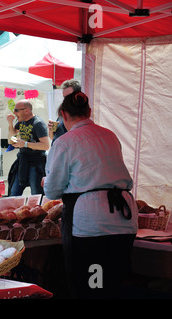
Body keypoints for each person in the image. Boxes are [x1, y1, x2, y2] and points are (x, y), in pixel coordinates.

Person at [43, 90, 138, 299]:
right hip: (124, 219)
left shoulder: (65, 142)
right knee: (113, 282)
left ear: (64, 115)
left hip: (91, 223)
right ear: (89, 112)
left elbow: (52, 190)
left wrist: (45, 181)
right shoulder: (109, 135)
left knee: (92, 285)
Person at [7, 100, 49, 196]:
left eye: (16, 110)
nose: (14, 112)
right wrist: (10, 123)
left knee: (36, 194)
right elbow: (12, 133)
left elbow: (46, 145)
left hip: (36, 162)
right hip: (23, 161)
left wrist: (25, 144)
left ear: (26, 110)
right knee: (14, 193)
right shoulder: (21, 122)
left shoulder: (38, 123)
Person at [48, 79, 81, 144]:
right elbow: (54, 137)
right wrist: (51, 130)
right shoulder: (63, 112)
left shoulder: (81, 116)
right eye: (64, 97)